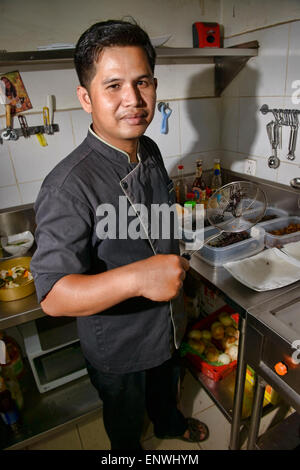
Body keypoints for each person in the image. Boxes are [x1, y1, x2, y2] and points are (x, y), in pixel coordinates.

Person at [30, 19, 209, 450]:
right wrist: (138, 278)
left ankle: (169, 425)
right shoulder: (67, 186)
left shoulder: (147, 148)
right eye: (113, 86)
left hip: (167, 324)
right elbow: (52, 295)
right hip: (119, 345)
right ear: (85, 98)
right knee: (126, 422)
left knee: (168, 390)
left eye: (141, 82)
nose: (133, 100)